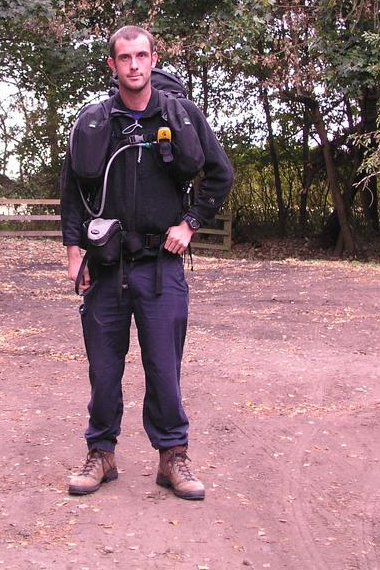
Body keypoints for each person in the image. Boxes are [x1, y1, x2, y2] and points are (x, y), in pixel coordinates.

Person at [59, 25, 234, 500]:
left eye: (141, 56)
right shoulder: (94, 122)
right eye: (124, 57)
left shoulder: (180, 116)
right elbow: (72, 190)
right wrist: (75, 253)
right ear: (112, 65)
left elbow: (220, 174)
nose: (134, 65)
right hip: (107, 266)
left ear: (154, 59)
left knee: (163, 367)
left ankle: (172, 458)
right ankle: (102, 454)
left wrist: (192, 223)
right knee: (103, 368)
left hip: (162, 266)